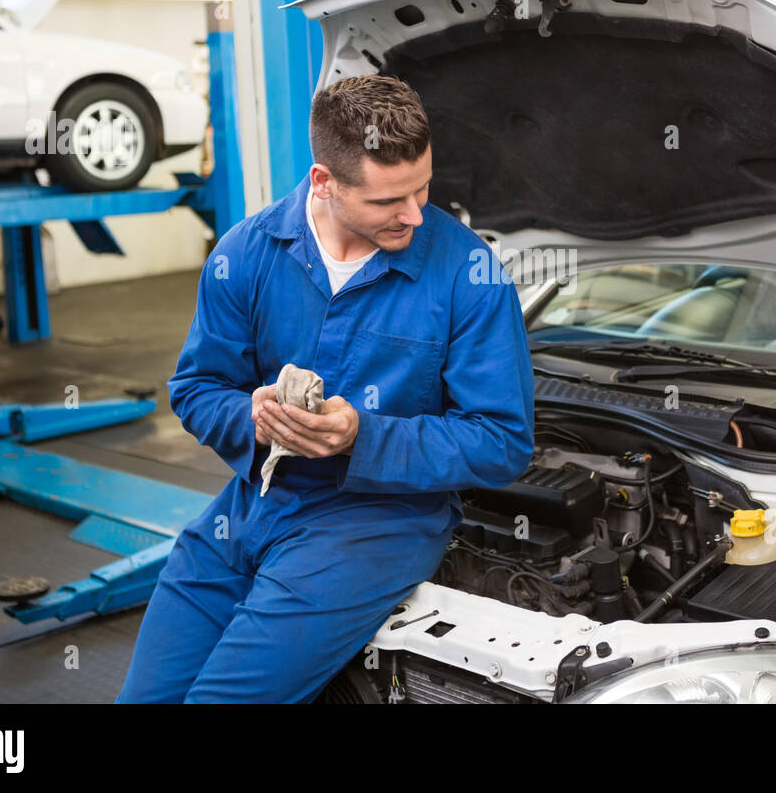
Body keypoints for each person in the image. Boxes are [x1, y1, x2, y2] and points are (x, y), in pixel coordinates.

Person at [116, 74, 535, 703]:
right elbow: (197, 387)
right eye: (388, 201)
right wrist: (249, 415)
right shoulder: (247, 253)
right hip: (251, 506)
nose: (415, 215)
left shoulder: (466, 272)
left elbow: (502, 441)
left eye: (423, 188)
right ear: (323, 182)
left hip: (378, 521)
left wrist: (362, 437)